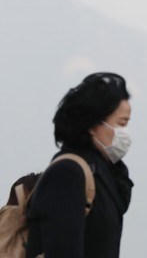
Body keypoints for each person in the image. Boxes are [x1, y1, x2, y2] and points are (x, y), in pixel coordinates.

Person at [26, 72, 134, 258]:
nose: (125, 133)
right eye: (121, 123)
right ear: (92, 125)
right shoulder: (68, 172)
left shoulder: (104, 172)